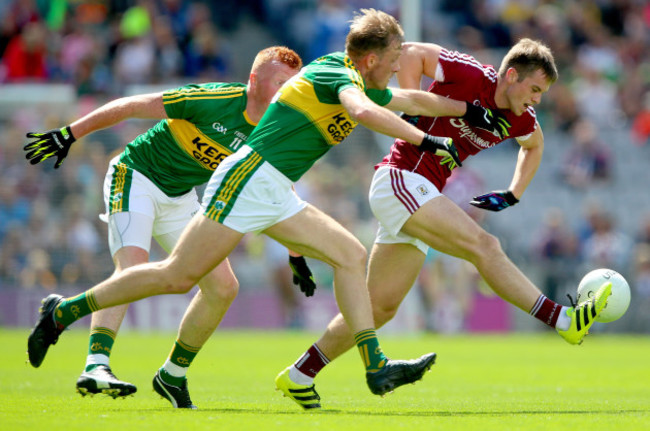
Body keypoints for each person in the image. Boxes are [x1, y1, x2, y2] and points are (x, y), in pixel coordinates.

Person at [26, 9, 510, 409]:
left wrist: (466, 112)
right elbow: (364, 113)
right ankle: (63, 311)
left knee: (349, 255)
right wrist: (426, 137)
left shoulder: (363, 82)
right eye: (391, 59)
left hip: (274, 189)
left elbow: (406, 96)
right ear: (368, 59)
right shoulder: (334, 73)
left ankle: (375, 365)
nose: (395, 66)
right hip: (249, 176)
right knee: (177, 275)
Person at [275, 38, 614, 409]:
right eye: (534, 89)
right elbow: (410, 52)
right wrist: (410, 100)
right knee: (485, 247)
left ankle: (299, 374)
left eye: (542, 94)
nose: (536, 100)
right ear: (511, 75)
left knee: (379, 307)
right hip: (401, 178)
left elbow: (534, 146)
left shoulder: (521, 117)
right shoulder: (472, 76)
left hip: (420, 192)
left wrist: (514, 192)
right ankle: (562, 319)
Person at [25, 46, 316, 406]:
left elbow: (279, 187)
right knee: (132, 266)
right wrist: (71, 133)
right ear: (254, 81)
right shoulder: (213, 99)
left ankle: (172, 375)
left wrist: (295, 254)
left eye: (293, 84)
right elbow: (132, 105)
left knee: (223, 288)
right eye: (280, 82)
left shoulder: (275, 128)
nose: (287, 91)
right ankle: (96, 364)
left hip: (180, 198)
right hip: (136, 176)